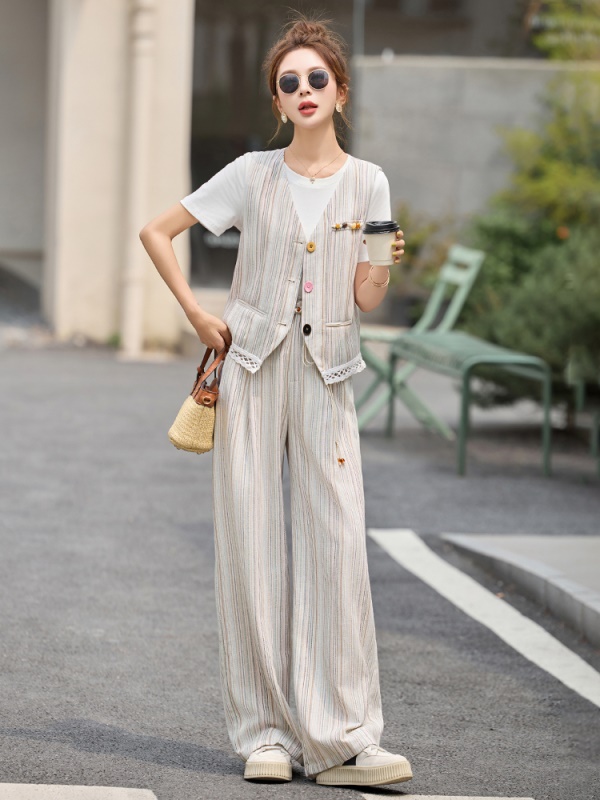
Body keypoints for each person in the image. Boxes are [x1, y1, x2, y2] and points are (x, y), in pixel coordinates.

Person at [139, 12, 411, 789]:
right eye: (289, 82)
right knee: (250, 550)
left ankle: (344, 740)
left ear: (341, 91)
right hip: (252, 370)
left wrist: (383, 261)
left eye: (316, 78)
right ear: (277, 99)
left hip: (328, 377)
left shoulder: (369, 181)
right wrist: (198, 315)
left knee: (337, 552)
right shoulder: (250, 174)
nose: (303, 90)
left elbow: (365, 296)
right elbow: (157, 232)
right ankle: (264, 735)